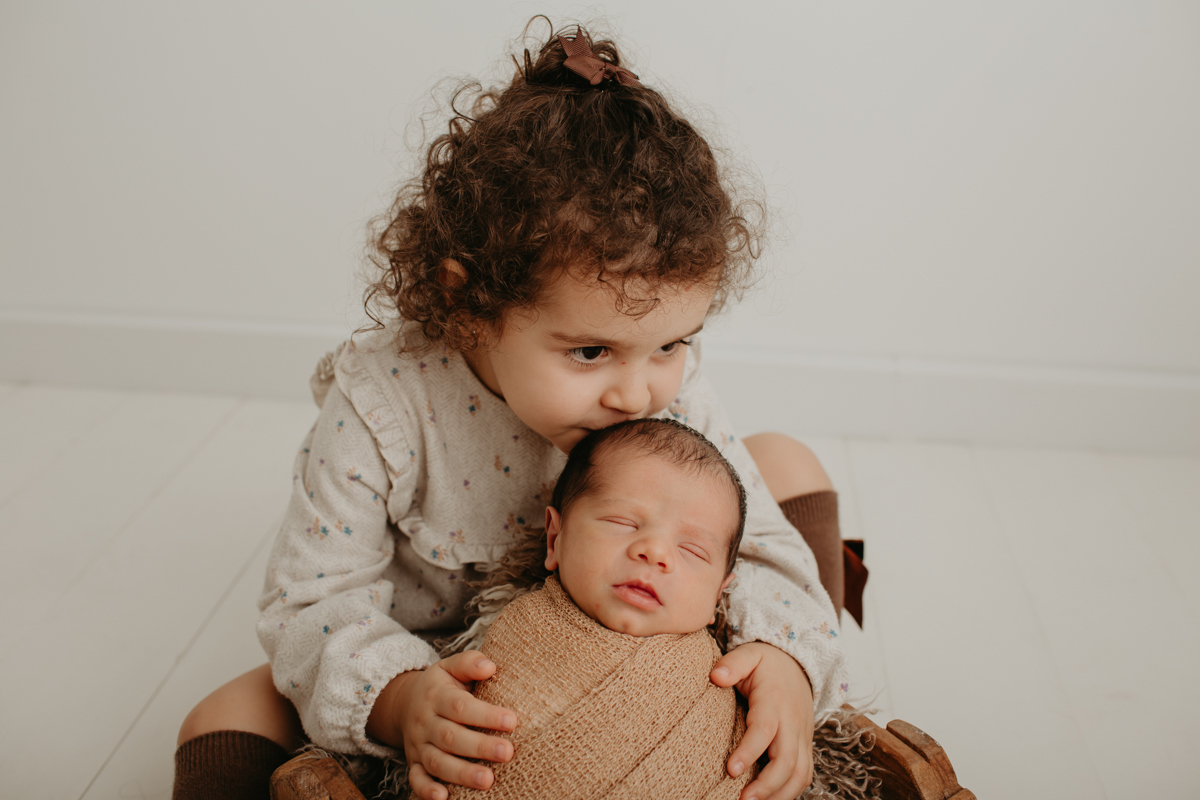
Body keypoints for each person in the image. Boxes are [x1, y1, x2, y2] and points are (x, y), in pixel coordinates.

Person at [174, 20, 850, 800]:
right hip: (449, 664)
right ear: (473, 304)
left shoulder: (666, 387)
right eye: (591, 353)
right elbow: (311, 601)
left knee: (782, 460)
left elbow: (760, 544)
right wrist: (401, 701)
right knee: (224, 709)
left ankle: (806, 707)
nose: (639, 394)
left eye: (672, 345)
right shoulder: (384, 406)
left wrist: (789, 662)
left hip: (644, 644)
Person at [444, 418, 756, 799]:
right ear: (555, 539)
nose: (655, 552)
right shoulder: (520, 630)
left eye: (692, 550)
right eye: (623, 522)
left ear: (718, 596)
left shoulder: (732, 675)